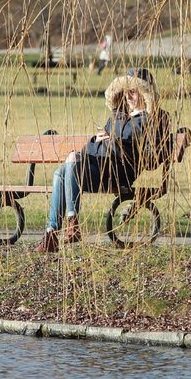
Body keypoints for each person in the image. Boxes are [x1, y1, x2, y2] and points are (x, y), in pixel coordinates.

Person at [36, 70, 158, 253]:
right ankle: (52, 231)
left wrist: (109, 139)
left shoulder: (146, 120)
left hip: (115, 173)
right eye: (126, 91)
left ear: (144, 93)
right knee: (60, 172)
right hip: (96, 166)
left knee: (70, 163)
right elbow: (97, 144)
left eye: (133, 90)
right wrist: (99, 139)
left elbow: (133, 153)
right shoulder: (118, 116)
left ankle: (71, 221)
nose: (128, 95)